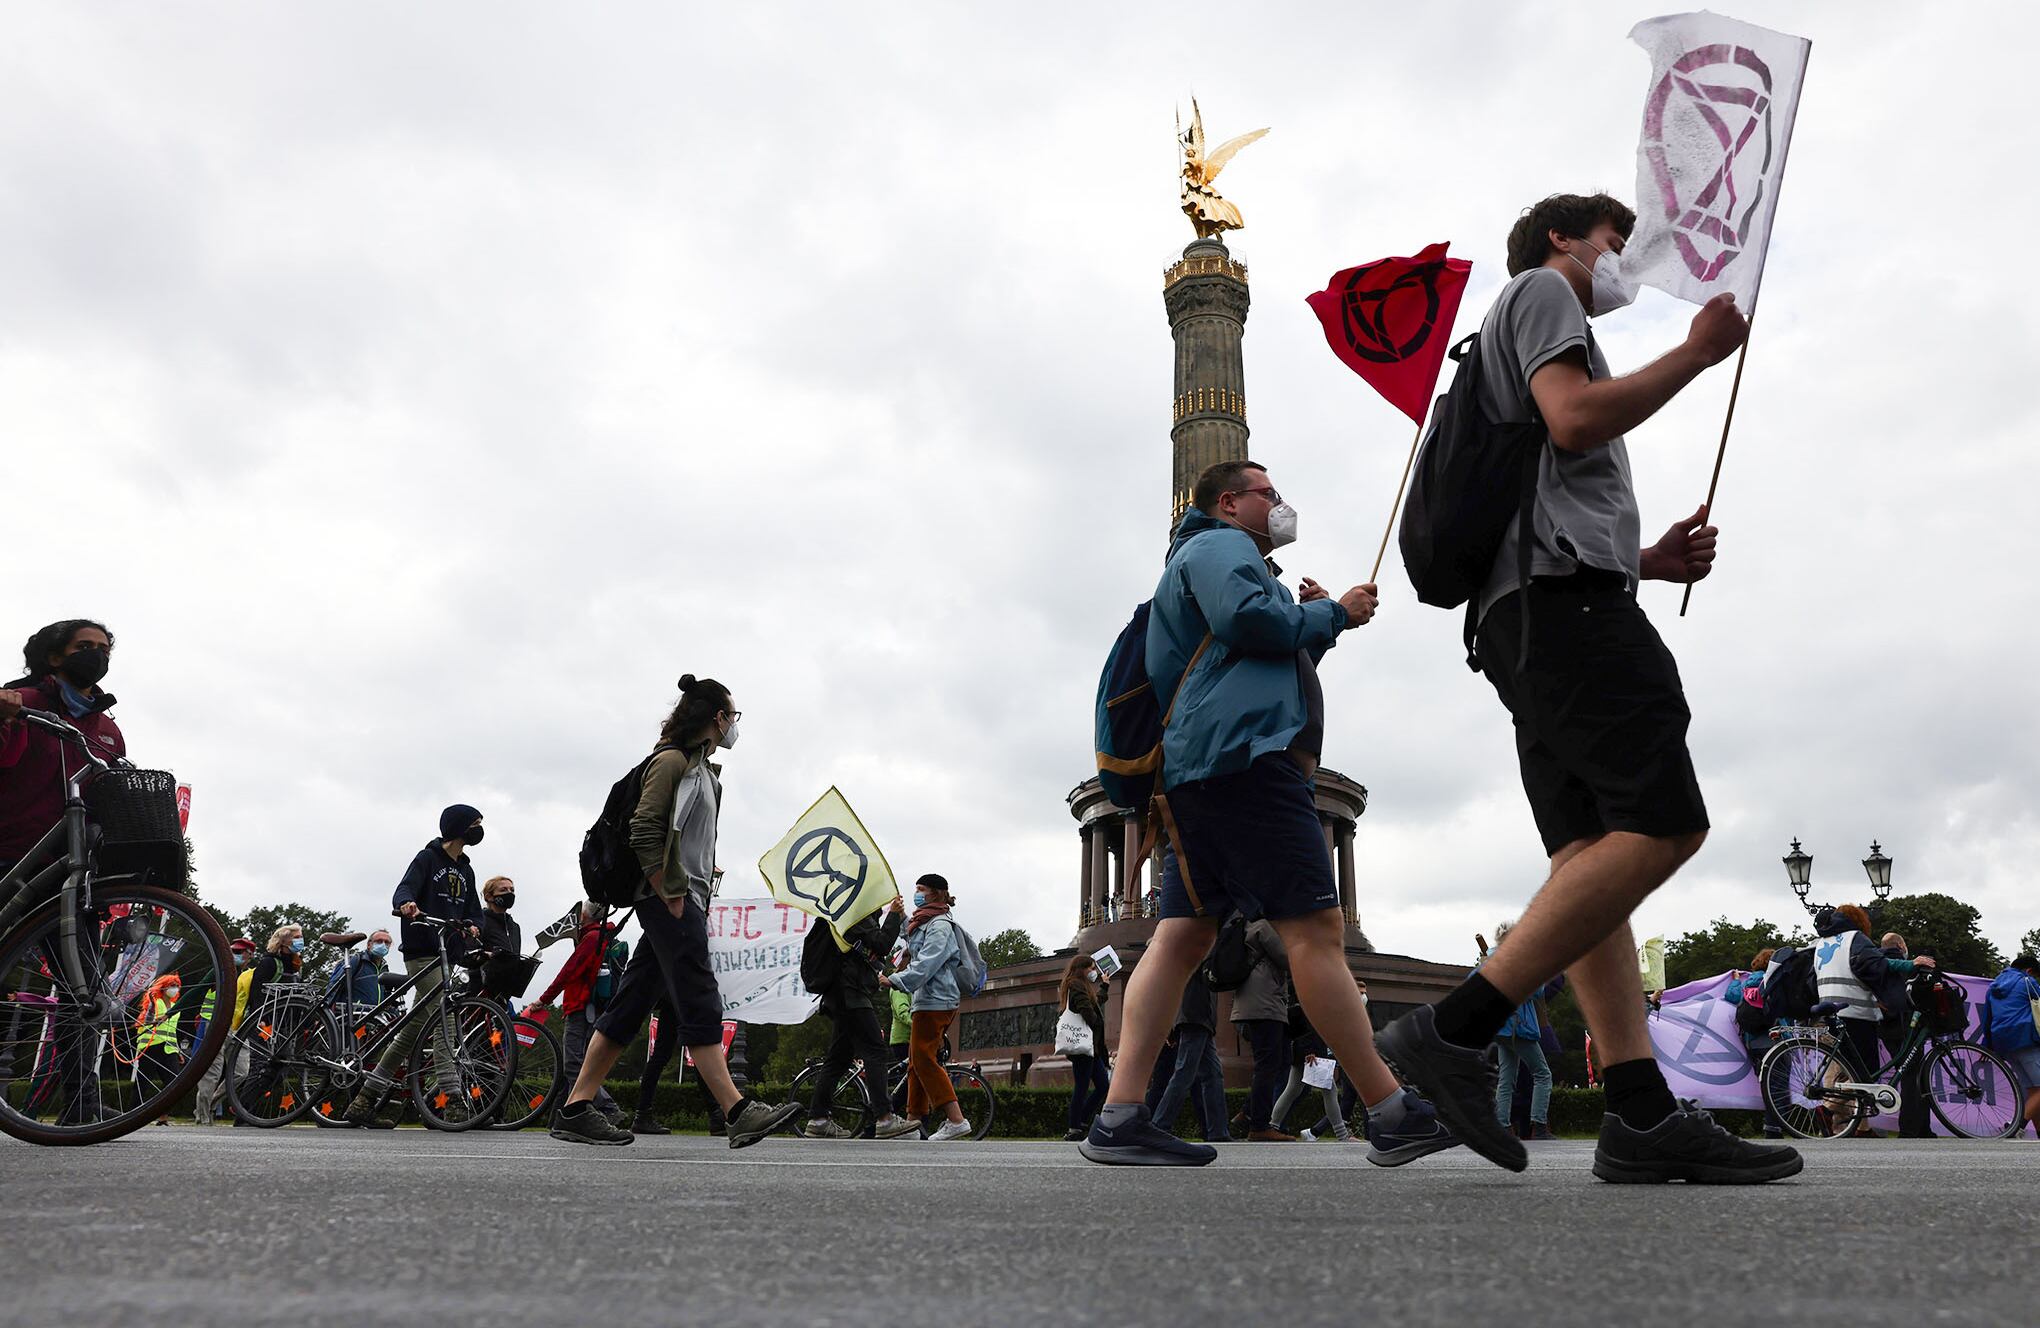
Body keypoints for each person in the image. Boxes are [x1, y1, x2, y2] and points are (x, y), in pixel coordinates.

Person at [1369, 191, 1806, 1184]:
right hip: (1566, 616)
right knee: (1662, 823)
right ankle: (1456, 1028)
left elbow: (1542, 482)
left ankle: (1640, 1113)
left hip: (1529, 611)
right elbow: (1571, 422)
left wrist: (1640, 560)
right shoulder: (1542, 291)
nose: (1628, 257)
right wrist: (1698, 352)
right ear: (1565, 238)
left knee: (1587, 863)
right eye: (1617, 238)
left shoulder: (1516, 319)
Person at [1081, 459, 1456, 1168]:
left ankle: (1120, 1114)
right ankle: (1391, 1110)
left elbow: (1250, 651)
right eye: (1269, 493)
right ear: (1229, 502)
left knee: (1181, 938)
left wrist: (1320, 623)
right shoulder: (1221, 547)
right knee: (1315, 928)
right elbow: (1248, 622)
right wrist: (1332, 612)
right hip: (1246, 761)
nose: (1280, 504)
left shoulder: (1206, 558)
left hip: (1202, 768)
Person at [550, 675, 801, 1148]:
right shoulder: (671, 762)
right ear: (716, 718)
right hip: (668, 898)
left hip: (684, 897)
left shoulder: (702, 769)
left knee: (631, 1004)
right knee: (698, 993)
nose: (734, 725)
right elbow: (644, 827)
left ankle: (576, 1108)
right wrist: (668, 888)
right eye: (732, 715)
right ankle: (737, 1109)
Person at [343, 805, 486, 1126]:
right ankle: (454, 1099)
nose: (480, 829)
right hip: (422, 950)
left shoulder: (466, 870)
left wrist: (474, 925)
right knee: (445, 1018)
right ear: (459, 827)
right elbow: (404, 888)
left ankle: (365, 1097)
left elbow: (474, 908)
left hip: (448, 951)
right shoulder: (427, 858)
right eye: (476, 823)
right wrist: (405, 905)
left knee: (409, 1033)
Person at [0, 620, 123, 869]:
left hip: (68, 858)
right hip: (11, 845)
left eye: (103, 650)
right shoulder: (21, 702)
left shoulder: (109, 731)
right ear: (56, 658)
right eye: (84, 646)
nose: (96, 655)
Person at [803, 900, 913, 1140]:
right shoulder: (853, 910)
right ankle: (884, 1118)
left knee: (839, 1058)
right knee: (875, 1049)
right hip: (849, 993)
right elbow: (882, 944)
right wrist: (893, 916)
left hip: (841, 993)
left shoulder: (842, 909)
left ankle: (818, 1119)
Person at [1812, 904, 1926, 1132]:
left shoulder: (1822, 943)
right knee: (1864, 1074)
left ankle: (1861, 1128)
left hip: (1832, 1008)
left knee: (1849, 1070)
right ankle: (1827, 1110)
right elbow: (1874, 965)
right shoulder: (1855, 938)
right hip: (1856, 1011)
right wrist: (1909, 965)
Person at [878, 873, 973, 1142]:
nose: (916, 893)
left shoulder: (940, 925)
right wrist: (897, 914)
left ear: (935, 893)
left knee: (923, 1059)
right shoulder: (925, 921)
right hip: (927, 1000)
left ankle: (956, 1119)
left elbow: (927, 963)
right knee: (916, 1062)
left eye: (921, 889)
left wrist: (894, 980)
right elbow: (911, 932)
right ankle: (913, 1122)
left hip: (937, 1000)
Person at [533, 903, 625, 1123]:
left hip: (581, 1007)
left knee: (574, 1063)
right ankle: (559, 1117)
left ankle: (607, 1108)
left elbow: (569, 971)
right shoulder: (604, 936)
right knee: (581, 1062)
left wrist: (544, 999)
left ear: (584, 915)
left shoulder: (591, 939)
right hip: (595, 1008)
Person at [1484, 922, 1555, 1141]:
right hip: (1519, 1026)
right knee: (1543, 1075)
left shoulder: (1489, 961)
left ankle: (1502, 1127)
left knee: (1506, 1079)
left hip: (1501, 1027)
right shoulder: (1518, 959)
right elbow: (1536, 991)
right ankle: (1539, 1126)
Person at [1148, 964, 1229, 1143]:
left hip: (1200, 1017)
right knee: (1186, 1073)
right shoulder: (1197, 950)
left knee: (1212, 1075)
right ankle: (1159, 1125)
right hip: (1196, 1015)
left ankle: (1218, 1131)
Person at [1230, 920, 1294, 1141]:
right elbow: (1287, 958)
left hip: (1252, 1005)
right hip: (1264, 1006)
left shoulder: (1245, 928)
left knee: (1274, 1062)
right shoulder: (1262, 927)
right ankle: (1258, 1125)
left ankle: (1248, 1112)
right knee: (1268, 1066)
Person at [194, 938, 258, 1124]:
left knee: (242, 1072)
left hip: (237, 1027)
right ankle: (202, 1117)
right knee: (211, 1073)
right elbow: (197, 991)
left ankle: (211, 1103)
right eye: (233, 952)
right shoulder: (220, 972)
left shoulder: (248, 976)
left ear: (249, 956)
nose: (234, 955)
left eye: (239, 952)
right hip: (214, 1025)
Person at [1270, 1003, 1355, 1142]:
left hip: (1306, 1052)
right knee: (1329, 1091)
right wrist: (1310, 1050)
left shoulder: (1311, 997)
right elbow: (1308, 1027)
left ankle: (1273, 1125)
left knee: (1292, 1090)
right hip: (1312, 1053)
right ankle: (1342, 1135)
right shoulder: (1316, 1000)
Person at [1875, 932, 1932, 1138]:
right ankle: (1913, 1129)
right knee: (1914, 1077)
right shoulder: (1906, 966)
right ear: (1900, 945)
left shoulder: (1876, 963)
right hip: (1906, 1025)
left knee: (1907, 1073)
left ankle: (1921, 1127)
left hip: (1886, 1027)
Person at [1725, 947, 1783, 1138]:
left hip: (1753, 1044)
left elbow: (1731, 996)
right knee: (1779, 1086)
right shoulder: (1773, 981)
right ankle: (1775, 1127)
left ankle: (1771, 1126)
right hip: (1775, 1040)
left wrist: (1735, 981)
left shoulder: (1748, 983)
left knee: (1766, 1085)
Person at [1981, 954, 2040, 1139]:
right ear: (2029, 970)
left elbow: (1987, 1018)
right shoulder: (2027, 981)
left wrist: (1987, 1045)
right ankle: (2016, 1127)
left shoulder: (1994, 985)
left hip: (2003, 1043)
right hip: (2026, 1038)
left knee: (2033, 1091)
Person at [1059, 953, 1112, 1141]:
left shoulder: (1081, 985)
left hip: (1091, 1047)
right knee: (1082, 1086)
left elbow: (1094, 1003)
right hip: (1083, 1046)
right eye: (1091, 968)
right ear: (1082, 969)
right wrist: (1096, 1020)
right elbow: (1088, 1012)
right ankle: (1074, 1127)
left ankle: (1081, 1121)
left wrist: (1104, 985)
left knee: (1103, 1085)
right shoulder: (1075, 984)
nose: (1094, 972)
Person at [327, 930, 393, 1013]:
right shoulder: (357, 960)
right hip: (353, 1015)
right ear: (369, 944)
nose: (383, 944)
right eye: (379, 941)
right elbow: (334, 985)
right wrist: (327, 1012)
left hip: (374, 1018)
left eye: (387, 942)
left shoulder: (384, 968)